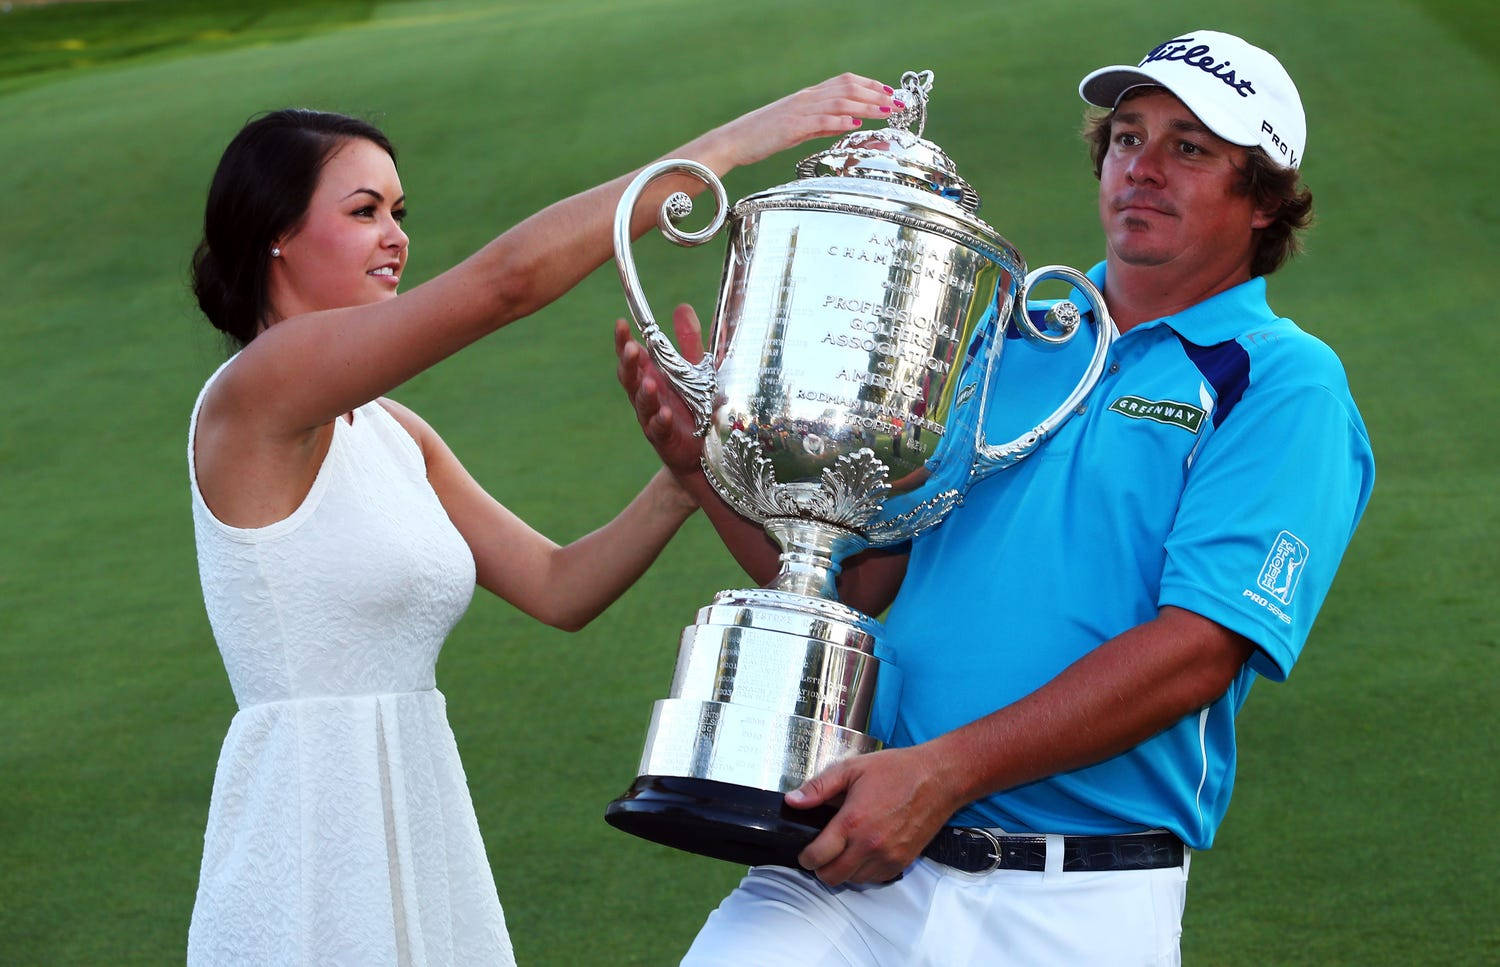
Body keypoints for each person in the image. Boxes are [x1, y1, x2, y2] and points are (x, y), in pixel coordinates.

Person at [615, 31, 1375, 965]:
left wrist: (941, 774)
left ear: (1262, 199)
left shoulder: (1282, 382)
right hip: (852, 860)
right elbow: (855, 580)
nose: (1142, 167)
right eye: (1128, 137)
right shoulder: (1017, 334)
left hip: (1077, 897)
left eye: (1191, 148)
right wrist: (703, 465)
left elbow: (1198, 652)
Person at [184, 75, 903, 966]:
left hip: (413, 799)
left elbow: (560, 588)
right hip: (307, 824)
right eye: (365, 211)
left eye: (399, 211)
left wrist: (685, 474)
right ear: (278, 237)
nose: (397, 237)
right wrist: (721, 152)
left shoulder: (394, 431)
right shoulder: (261, 387)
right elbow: (506, 286)